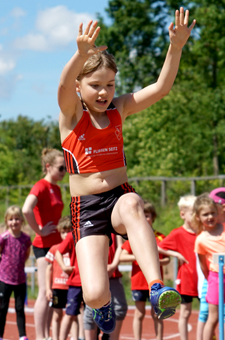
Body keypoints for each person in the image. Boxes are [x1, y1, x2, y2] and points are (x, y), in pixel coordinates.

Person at [57, 8, 196, 334]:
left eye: (110, 84)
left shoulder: (119, 108)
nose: (104, 92)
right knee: (93, 293)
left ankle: (158, 288)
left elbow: (161, 88)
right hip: (87, 207)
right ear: (80, 87)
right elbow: (63, 83)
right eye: (95, 85)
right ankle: (102, 306)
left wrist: (175, 46)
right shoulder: (72, 114)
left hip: (119, 197)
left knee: (135, 205)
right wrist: (80, 55)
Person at [22, 148, 66, 340]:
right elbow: (26, 209)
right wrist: (39, 230)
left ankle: (47, 336)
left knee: (52, 293)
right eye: (61, 168)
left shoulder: (56, 187)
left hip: (56, 245)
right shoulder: (40, 185)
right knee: (43, 293)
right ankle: (40, 337)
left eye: (66, 168)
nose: (65, 171)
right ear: (48, 167)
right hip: (43, 244)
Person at [120, 201, 170, 340]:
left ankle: (159, 337)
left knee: (157, 313)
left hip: (155, 283)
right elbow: (122, 256)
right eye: (142, 215)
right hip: (138, 282)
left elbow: (167, 259)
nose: (145, 218)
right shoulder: (134, 236)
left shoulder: (160, 237)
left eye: (147, 215)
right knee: (139, 313)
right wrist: (141, 257)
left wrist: (154, 261)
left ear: (153, 217)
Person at [158, 195, 198, 340]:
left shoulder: (203, 231)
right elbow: (158, 247)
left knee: (206, 312)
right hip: (186, 279)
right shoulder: (177, 233)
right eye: (193, 212)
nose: (196, 216)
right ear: (183, 214)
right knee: (185, 313)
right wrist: (175, 254)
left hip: (204, 279)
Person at [83, 234, 128, 340]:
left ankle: (112, 337)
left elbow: (120, 247)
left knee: (120, 308)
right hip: (94, 273)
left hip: (113, 273)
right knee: (92, 306)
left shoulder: (113, 223)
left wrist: (113, 266)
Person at [193, 193, 225, 340]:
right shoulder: (201, 240)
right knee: (213, 317)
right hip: (215, 278)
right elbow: (202, 265)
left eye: (213, 213)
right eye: (205, 214)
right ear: (198, 217)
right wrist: (212, 279)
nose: (210, 217)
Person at [0, 205, 32, 340]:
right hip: (4, 279)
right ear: (6, 221)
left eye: (17, 219)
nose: (14, 222)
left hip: (20, 280)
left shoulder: (26, 239)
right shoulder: (4, 238)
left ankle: (22, 335)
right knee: (2, 308)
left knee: (20, 308)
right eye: (11, 219)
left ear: (22, 221)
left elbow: (26, 255)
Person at [45, 216, 76, 340]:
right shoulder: (54, 249)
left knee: (73, 315)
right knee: (57, 315)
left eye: (68, 231)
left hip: (73, 287)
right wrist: (48, 288)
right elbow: (49, 269)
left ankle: (76, 337)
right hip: (58, 286)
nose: (65, 235)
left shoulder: (76, 249)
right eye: (63, 232)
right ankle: (56, 338)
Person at [55, 231, 84, 340]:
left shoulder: (97, 230)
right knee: (70, 314)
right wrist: (64, 267)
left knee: (93, 315)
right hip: (76, 282)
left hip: (92, 282)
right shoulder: (73, 234)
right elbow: (58, 252)